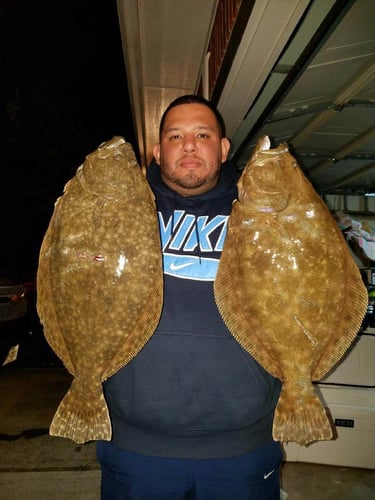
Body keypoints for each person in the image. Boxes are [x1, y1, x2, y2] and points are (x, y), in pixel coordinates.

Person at [96, 95, 283, 499]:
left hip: (243, 448)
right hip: (134, 446)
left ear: (223, 147)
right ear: (158, 151)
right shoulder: (118, 212)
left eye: (203, 134)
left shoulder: (266, 213)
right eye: (175, 136)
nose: (190, 145)